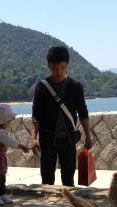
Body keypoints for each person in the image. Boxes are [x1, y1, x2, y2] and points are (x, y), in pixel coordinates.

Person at [31, 46, 92, 187]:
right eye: (54, 68)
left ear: (67, 66)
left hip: (68, 140)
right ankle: (48, 206)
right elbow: (36, 115)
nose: (58, 72)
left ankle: (67, 206)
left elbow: (83, 113)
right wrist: (33, 138)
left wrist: (88, 136)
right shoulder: (41, 87)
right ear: (49, 67)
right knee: (46, 178)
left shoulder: (75, 86)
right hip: (47, 140)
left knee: (68, 177)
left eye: (62, 68)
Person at [0, 103, 29, 206]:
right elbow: (9, 142)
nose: (11, 122)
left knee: (2, 177)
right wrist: (22, 146)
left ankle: (2, 193)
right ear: (2, 121)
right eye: (9, 120)